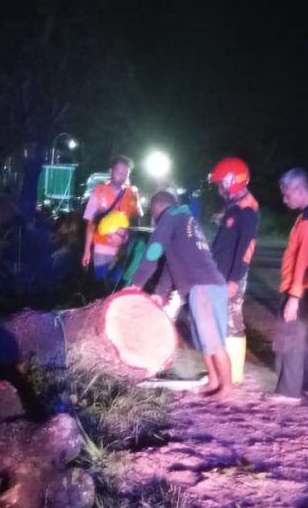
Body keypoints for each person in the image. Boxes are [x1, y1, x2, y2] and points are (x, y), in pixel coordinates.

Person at [127, 190, 232, 396]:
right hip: (203, 287)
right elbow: (170, 265)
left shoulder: (170, 217)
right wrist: (159, 292)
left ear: (157, 209)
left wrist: (136, 284)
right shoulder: (185, 220)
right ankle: (213, 380)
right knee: (203, 339)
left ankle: (226, 387)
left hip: (203, 286)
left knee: (213, 340)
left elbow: (154, 251)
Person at [273, 168, 308, 402]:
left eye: (287, 194)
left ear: (299, 189)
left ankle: (289, 391)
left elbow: (305, 259)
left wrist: (294, 297)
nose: (285, 200)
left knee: (292, 337)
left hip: (302, 287)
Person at [208, 157, 260, 384]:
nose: (219, 189)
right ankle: (225, 370)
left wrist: (234, 280)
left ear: (231, 182)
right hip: (222, 272)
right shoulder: (235, 206)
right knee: (223, 319)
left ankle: (234, 374)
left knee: (232, 321)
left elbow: (245, 246)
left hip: (232, 275)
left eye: (220, 184)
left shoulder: (247, 209)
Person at [82, 156, 143, 284]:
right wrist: (87, 251)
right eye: (119, 172)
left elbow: (136, 220)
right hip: (101, 248)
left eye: (126, 174)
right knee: (101, 286)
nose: (122, 176)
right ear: (111, 172)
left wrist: (127, 236)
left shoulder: (132, 194)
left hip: (122, 251)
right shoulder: (99, 192)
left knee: (117, 289)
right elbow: (91, 223)